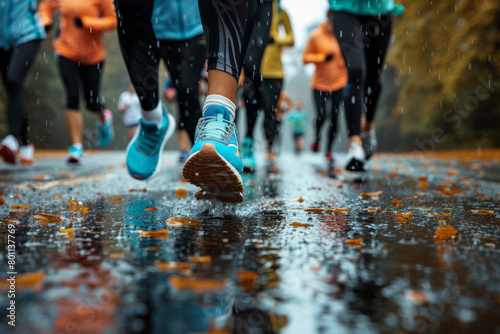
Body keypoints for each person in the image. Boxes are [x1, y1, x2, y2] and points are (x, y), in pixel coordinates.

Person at [329, 0, 404, 171]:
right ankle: (354, 145)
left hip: (379, 11)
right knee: (355, 71)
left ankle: (368, 126)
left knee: (373, 82)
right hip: (344, 9)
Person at [39, 0, 117, 164]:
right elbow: (45, 7)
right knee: (72, 96)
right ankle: (76, 146)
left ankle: (103, 116)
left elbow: (114, 20)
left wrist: (88, 22)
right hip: (66, 50)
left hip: (93, 55)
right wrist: (45, 21)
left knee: (91, 102)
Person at [241, 0, 294, 171]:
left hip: (274, 72)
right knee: (251, 105)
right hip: (253, 68)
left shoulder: (281, 12)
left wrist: (276, 39)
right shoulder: (250, 9)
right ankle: (248, 145)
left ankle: (270, 149)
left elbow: (291, 38)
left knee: (270, 110)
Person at [0, 0, 46, 165]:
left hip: (28, 34)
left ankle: (12, 139)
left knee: (14, 79)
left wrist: (45, 16)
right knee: (13, 89)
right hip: (3, 42)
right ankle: (26, 144)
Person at [302, 13, 347, 178]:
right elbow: (305, 58)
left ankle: (328, 150)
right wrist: (321, 57)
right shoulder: (316, 35)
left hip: (339, 83)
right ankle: (317, 136)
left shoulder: (344, 34)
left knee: (335, 118)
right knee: (322, 115)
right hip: (319, 84)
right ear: (328, 17)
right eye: (333, 18)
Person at [163, 69, 209, 163]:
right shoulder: (174, 73)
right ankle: (184, 149)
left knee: (195, 120)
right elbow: (167, 93)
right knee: (182, 121)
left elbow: (204, 87)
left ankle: (197, 148)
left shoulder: (198, 70)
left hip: (194, 102)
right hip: (183, 101)